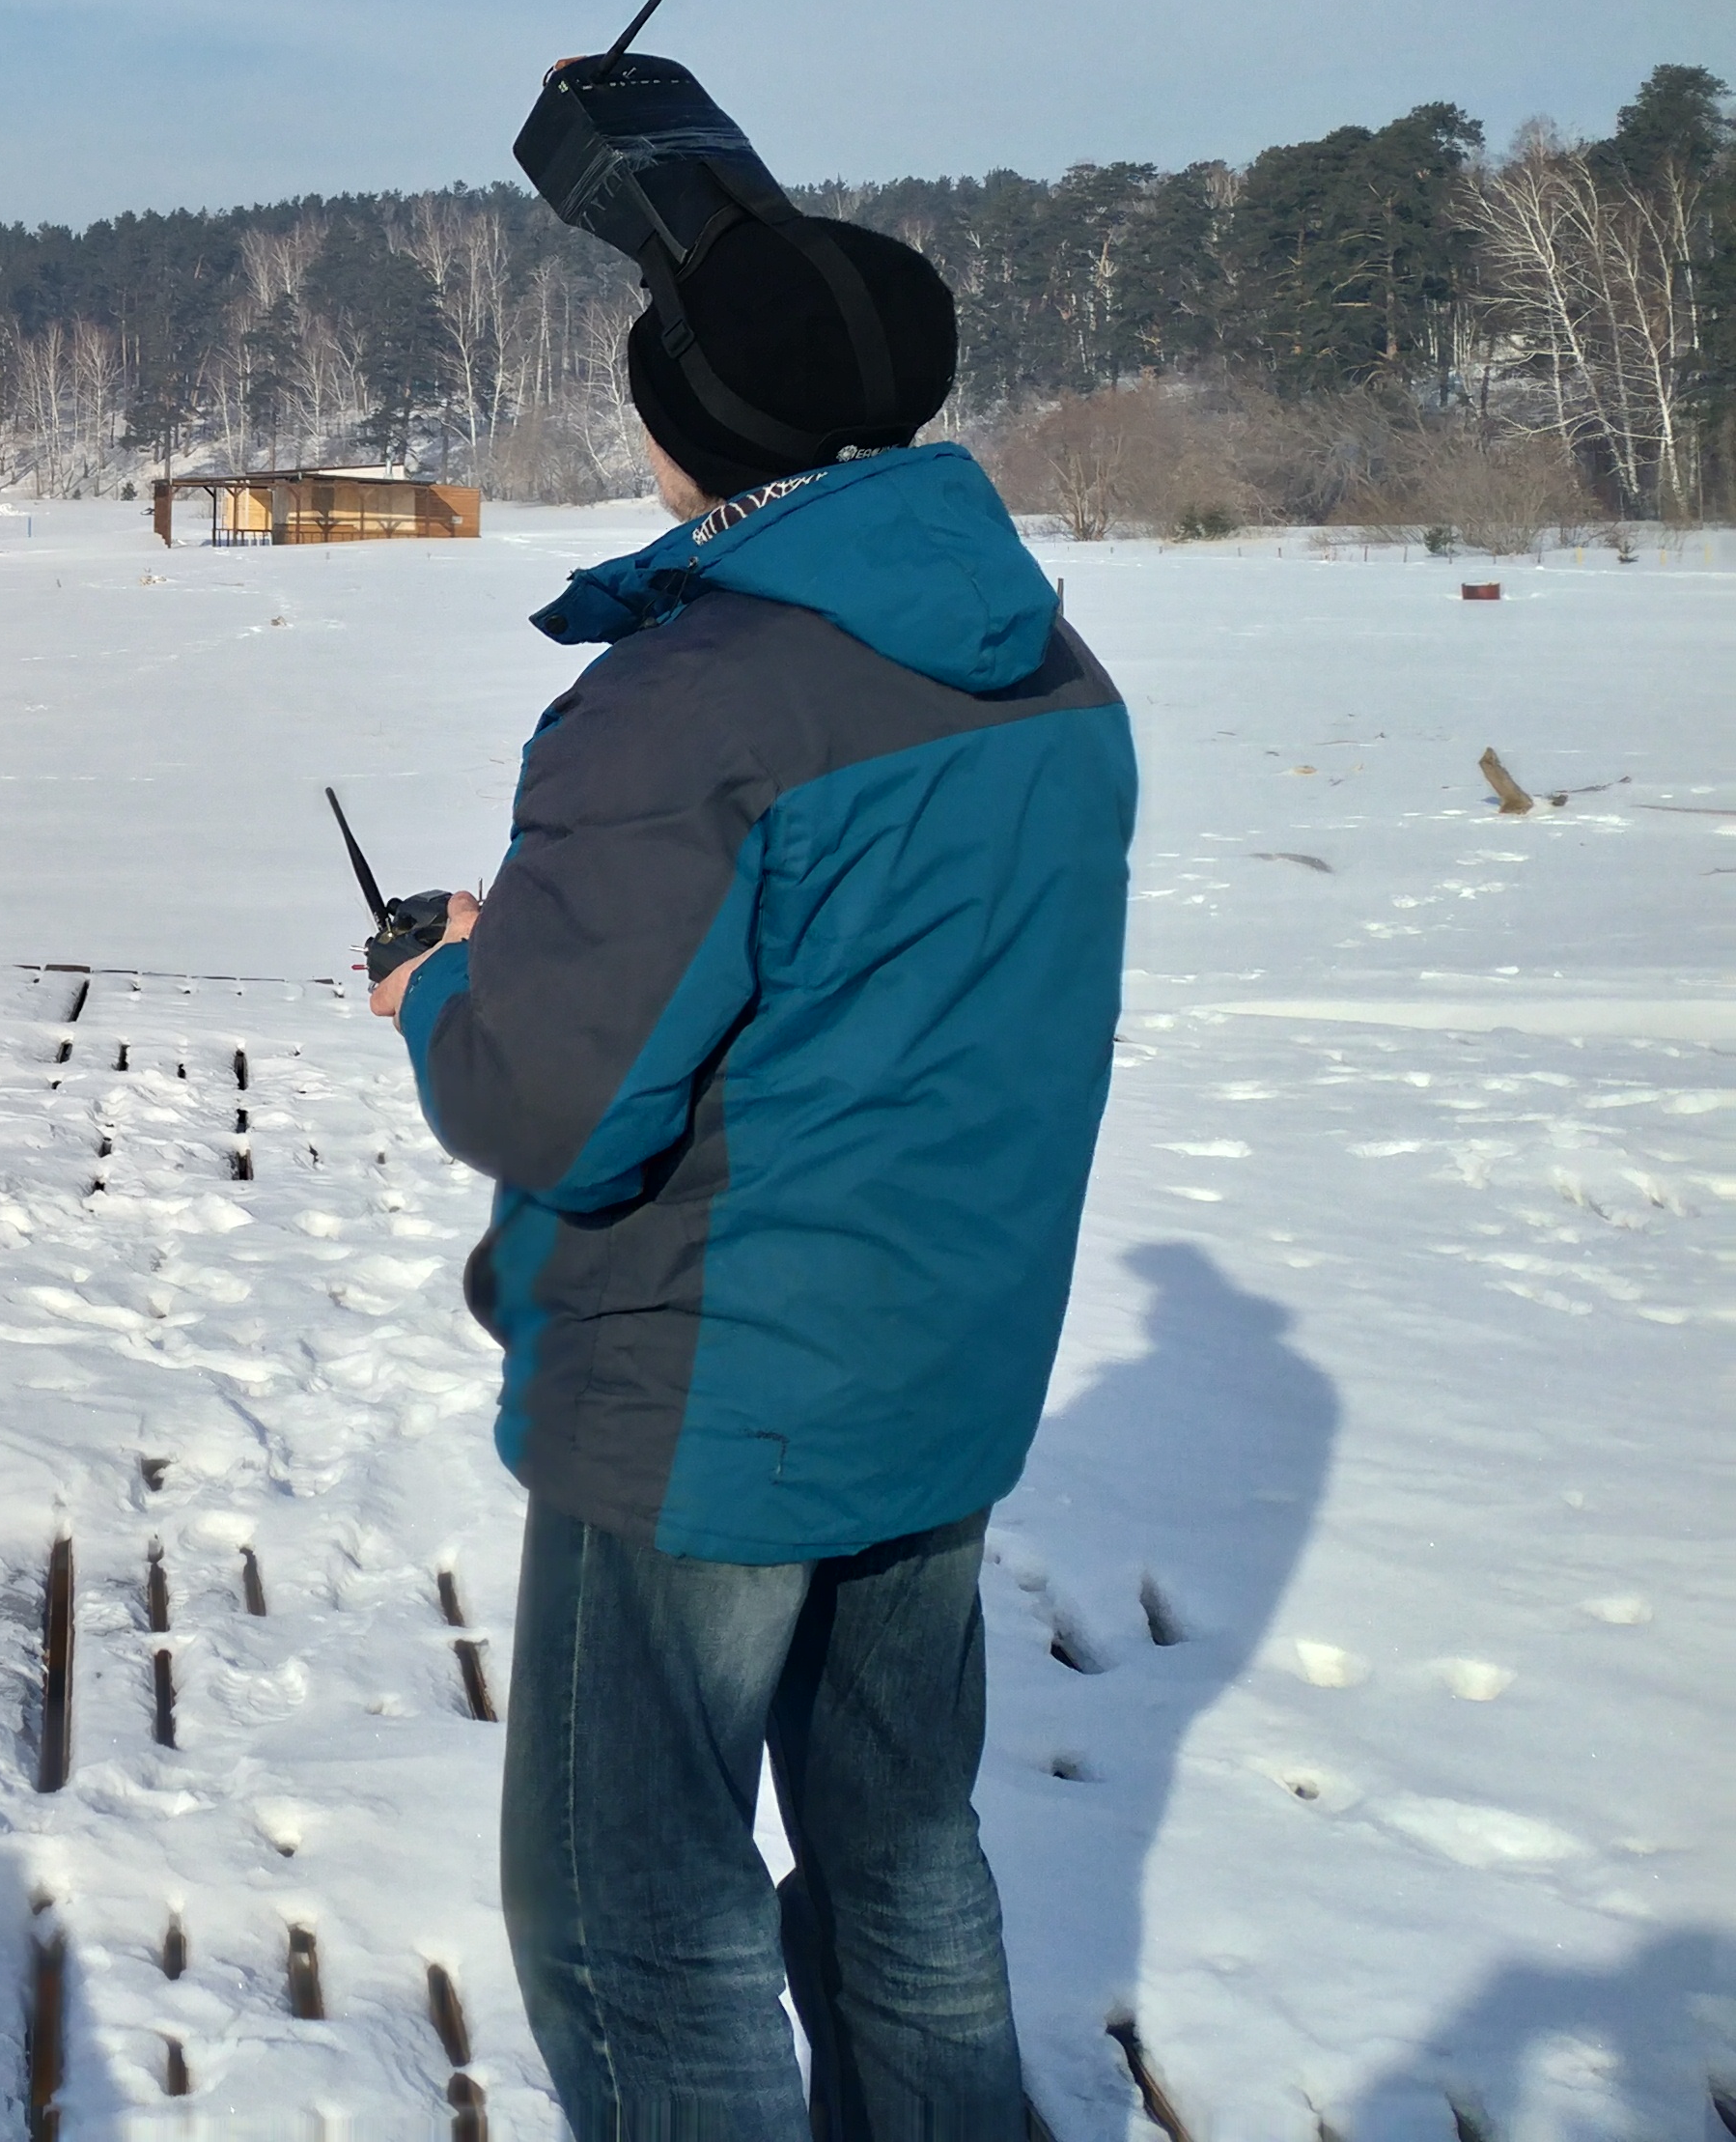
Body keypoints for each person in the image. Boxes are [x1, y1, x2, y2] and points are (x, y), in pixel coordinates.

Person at [367, 206, 1135, 2139]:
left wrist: (442, 982)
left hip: (719, 1388)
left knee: (640, 1914)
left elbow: (551, 1106)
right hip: (942, 1359)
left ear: (685, 430)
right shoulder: (1043, 665)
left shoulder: (695, 696)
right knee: (899, 1853)